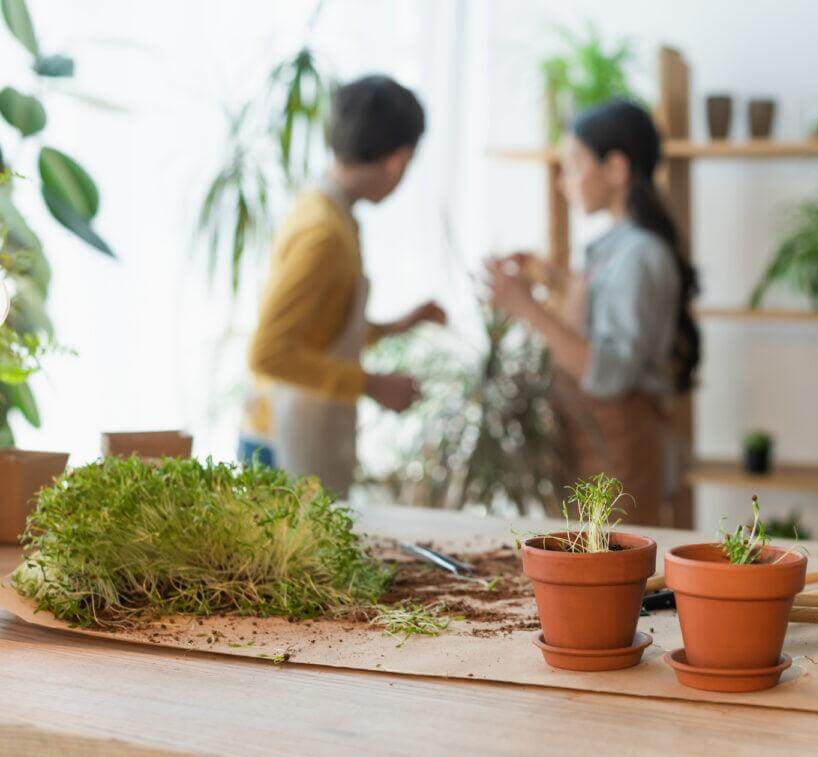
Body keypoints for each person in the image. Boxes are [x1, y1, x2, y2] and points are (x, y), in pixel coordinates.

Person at [487, 99, 701, 525]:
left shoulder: (640, 255)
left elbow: (609, 373)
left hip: (620, 450)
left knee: (613, 575)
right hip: (595, 443)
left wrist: (526, 308)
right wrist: (549, 280)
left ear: (616, 170)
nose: (563, 182)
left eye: (573, 164)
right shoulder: (620, 247)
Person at [242, 75, 445, 498]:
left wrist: (397, 326)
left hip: (295, 429)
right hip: (283, 442)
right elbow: (268, 353)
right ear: (399, 160)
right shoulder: (324, 233)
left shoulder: (325, 209)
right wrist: (373, 384)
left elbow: (320, 329)